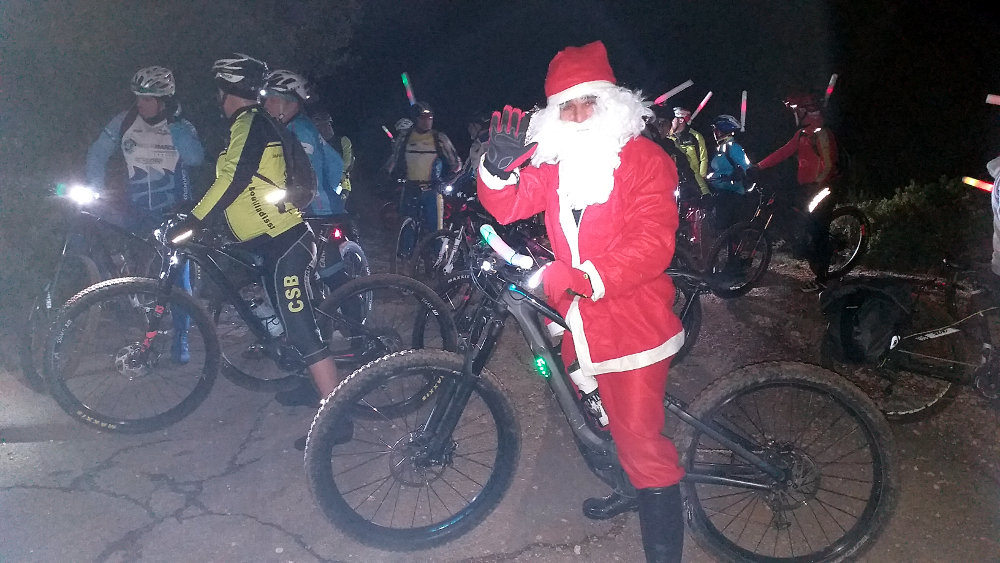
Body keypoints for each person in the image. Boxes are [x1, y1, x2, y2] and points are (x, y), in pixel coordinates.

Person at [476, 41, 685, 563]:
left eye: (585, 102)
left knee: (642, 443)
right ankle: (626, 487)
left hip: (631, 318)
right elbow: (508, 205)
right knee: (602, 417)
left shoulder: (645, 160)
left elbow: (653, 240)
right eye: (564, 106)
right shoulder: (557, 165)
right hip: (578, 318)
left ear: (609, 102)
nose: (575, 114)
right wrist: (497, 169)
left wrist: (586, 277)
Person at [168, 53, 344, 450]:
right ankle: (306, 383)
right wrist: (195, 214)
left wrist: (193, 219)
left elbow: (234, 177)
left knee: (302, 329)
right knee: (283, 315)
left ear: (228, 91)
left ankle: (339, 419)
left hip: (285, 243)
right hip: (268, 241)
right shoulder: (252, 123)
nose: (218, 98)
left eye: (219, 91)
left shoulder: (249, 123)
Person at [86, 65, 205, 364]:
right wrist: (94, 187)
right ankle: (121, 297)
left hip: (173, 210)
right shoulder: (124, 121)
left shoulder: (181, 126)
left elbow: (195, 158)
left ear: (164, 100)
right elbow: (97, 153)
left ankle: (181, 338)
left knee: (177, 275)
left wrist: (175, 126)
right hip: (136, 206)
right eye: (138, 97)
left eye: (148, 99)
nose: (141, 104)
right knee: (90, 225)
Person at [259, 69, 349, 409]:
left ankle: (349, 343)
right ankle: (310, 375)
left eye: (271, 99)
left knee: (316, 286)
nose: (265, 104)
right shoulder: (287, 128)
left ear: (288, 103)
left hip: (317, 215)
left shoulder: (300, 132)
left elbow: (301, 183)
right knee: (305, 294)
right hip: (310, 215)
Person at [756, 93, 840, 292]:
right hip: (807, 186)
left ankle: (822, 278)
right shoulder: (802, 134)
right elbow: (784, 151)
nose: (795, 114)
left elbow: (829, 165)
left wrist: (818, 184)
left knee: (817, 229)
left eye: (797, 110)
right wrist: (758, 166)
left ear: (805, 111)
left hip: (823, 187)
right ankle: (803, 249)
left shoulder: (821, 133)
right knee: (797, 216)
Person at [384, 101, 461, 255]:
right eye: (423, 117)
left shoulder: (439, 138)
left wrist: (449, 178)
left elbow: (455, 163)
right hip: (410, 187)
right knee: (406, 225)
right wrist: (385, 175)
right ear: (415, 119)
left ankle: (437, 259)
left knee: (435, 229)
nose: (427, 121)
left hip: (432, 190)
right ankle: (405, 258)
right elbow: (394, 159)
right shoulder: (405, 137)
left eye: (430, 117)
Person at [706, 114, 753, 232]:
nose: (714, 133)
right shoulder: (721, 149)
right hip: (721, 193)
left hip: (732, 194)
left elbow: (747, 168)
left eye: (716, 130)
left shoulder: (734, 147)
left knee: (728, 228)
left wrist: (736, 177)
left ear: (722, 131)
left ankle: (736, 247)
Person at [310, 107, 355, 209]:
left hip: (340, 182)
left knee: (336, 208)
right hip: (317, 183)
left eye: (327, 125)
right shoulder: (314, 144)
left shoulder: (343, 141)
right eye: (320, 127)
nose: (325, 129)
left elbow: (347, 162)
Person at [666, 107, 711, 200]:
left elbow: (703, 159)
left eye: (673, 119)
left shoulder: (695, 136)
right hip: (673, 182)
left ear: (681, 120)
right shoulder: (668, 139)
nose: (671, 122)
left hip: (693, 180)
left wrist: (702, 179)